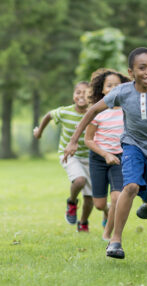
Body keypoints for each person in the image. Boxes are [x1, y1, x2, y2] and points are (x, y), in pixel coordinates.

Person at [63, 47, 147, 259]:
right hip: (132, 145)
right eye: (142, 68)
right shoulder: (122, 92)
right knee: (130, 186)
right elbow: (92, 111)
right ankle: (115, 241)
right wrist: (74, 140)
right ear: (131, 73)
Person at [33, 81, 96, 232]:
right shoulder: (65, 112)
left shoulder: (94, 113)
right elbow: (48, 116)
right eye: (78, 93)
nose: (81, 96)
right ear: (73, 96)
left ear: (91, 96)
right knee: (80, 180)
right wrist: (39, 132)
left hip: (90, 157)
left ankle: (83, 222)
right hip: (69, 155)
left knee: (89, 197)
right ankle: (72, 202)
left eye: (85, 93)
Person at [84, 69, 130, 241]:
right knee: (99, 204)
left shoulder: (127, 111)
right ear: (102, 90)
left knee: (118, 197)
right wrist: (105, 154)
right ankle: (107, 212)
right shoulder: (97, 111)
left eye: (117, 85)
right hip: (98, 158)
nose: (113, 88)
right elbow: (88, 140)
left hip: (119, 158)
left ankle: (107, 234)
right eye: (109, 85)